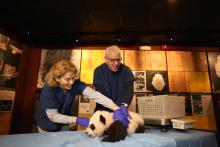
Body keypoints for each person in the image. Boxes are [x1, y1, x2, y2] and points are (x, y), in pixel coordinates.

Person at [35, 60, 129, 132]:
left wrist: (115, 107)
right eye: (68, 79)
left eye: (73, 78)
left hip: (63, 124)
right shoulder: (48, 90)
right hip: (46, 125)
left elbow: (94, 94)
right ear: (57, 78)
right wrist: (77, 120)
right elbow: (53, 116)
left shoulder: (74, 84)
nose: (71, 82)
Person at [93, 45, 135, 114]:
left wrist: (123, 107)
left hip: (121, 111)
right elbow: (101, 94)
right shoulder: (98, 71)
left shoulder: (126, 71)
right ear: (106, 59)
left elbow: (128, 92)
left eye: (118, 60)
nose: (116, 63)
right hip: (103, 112)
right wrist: (114, 108)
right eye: (112, 60)